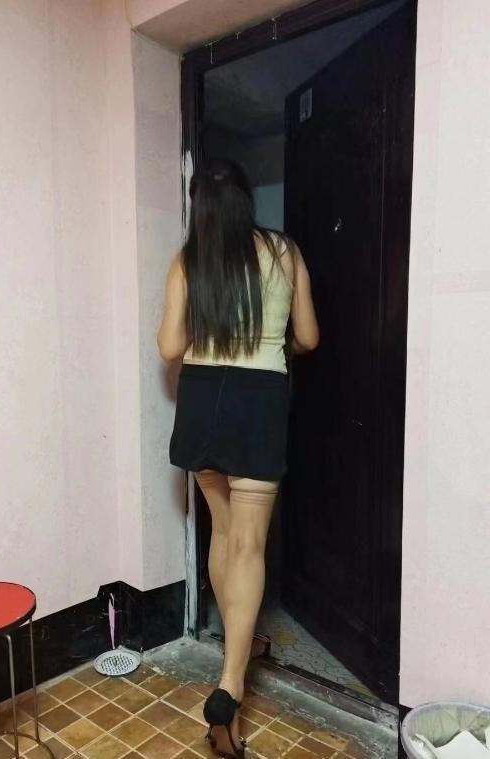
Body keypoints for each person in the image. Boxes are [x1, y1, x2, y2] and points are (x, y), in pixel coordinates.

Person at [157, 158, 319, 758]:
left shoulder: (189, 260)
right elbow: (309, 337)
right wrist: (273, 337)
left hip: (204, 398)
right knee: (248, 545)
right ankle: (230, 684)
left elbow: (170, 346)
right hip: (258, 399)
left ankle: (237, 650)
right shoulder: (284, 252)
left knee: (222, 534)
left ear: (198, 205)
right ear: (246, 201)